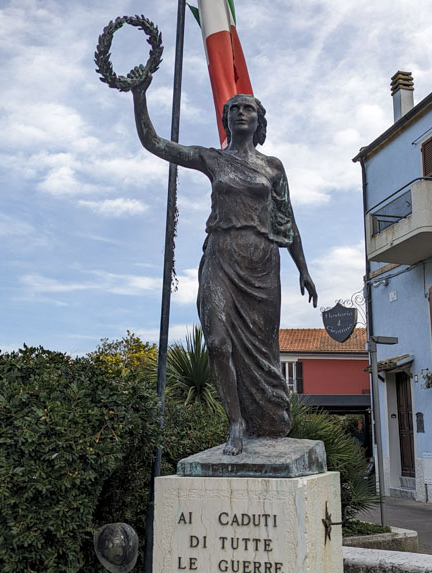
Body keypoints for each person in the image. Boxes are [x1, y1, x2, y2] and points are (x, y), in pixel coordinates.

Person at [130, 76, 317, 456]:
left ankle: (266, 422)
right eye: (234, 109)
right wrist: (139, 96)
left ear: (259, 120)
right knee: (217, 343)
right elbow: (154, 143)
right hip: (221, 255)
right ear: (226, 120)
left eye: (248, 108)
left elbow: (287, 218)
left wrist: (304, 268)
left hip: (263, 263)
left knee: (264, 350)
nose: (241, 113)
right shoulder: (212, 158)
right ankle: (235, 423)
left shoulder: (273, 167)